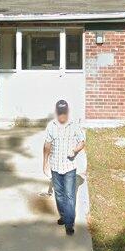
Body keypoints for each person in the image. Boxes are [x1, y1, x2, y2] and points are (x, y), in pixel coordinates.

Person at [42, 99, 85, 236]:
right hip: (55, 166)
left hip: (69, 167)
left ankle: (69, 224)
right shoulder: (51, 126)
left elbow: (82, 141)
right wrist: (45, 163)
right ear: (57, 112)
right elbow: (47, 145)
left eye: (64, 112)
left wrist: (75, 150)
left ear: (67, 111)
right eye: (60, 112)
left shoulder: (74, 125)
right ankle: (64, 216)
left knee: (69, 196)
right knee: (59, 195)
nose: (62, 115)